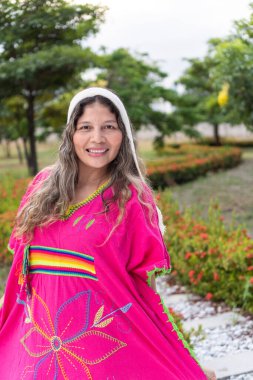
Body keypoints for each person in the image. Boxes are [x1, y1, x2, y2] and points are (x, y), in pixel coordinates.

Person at [0, 87, 216, 380]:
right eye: (86, 127)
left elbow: (146, 289)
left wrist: (181, 356)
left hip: (98, 350)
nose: (97, 138)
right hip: (35, 344)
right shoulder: (42, 186)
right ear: (70, 134)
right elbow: (21, 271)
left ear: (123, 135)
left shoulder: (132, 197)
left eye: (109, 127)